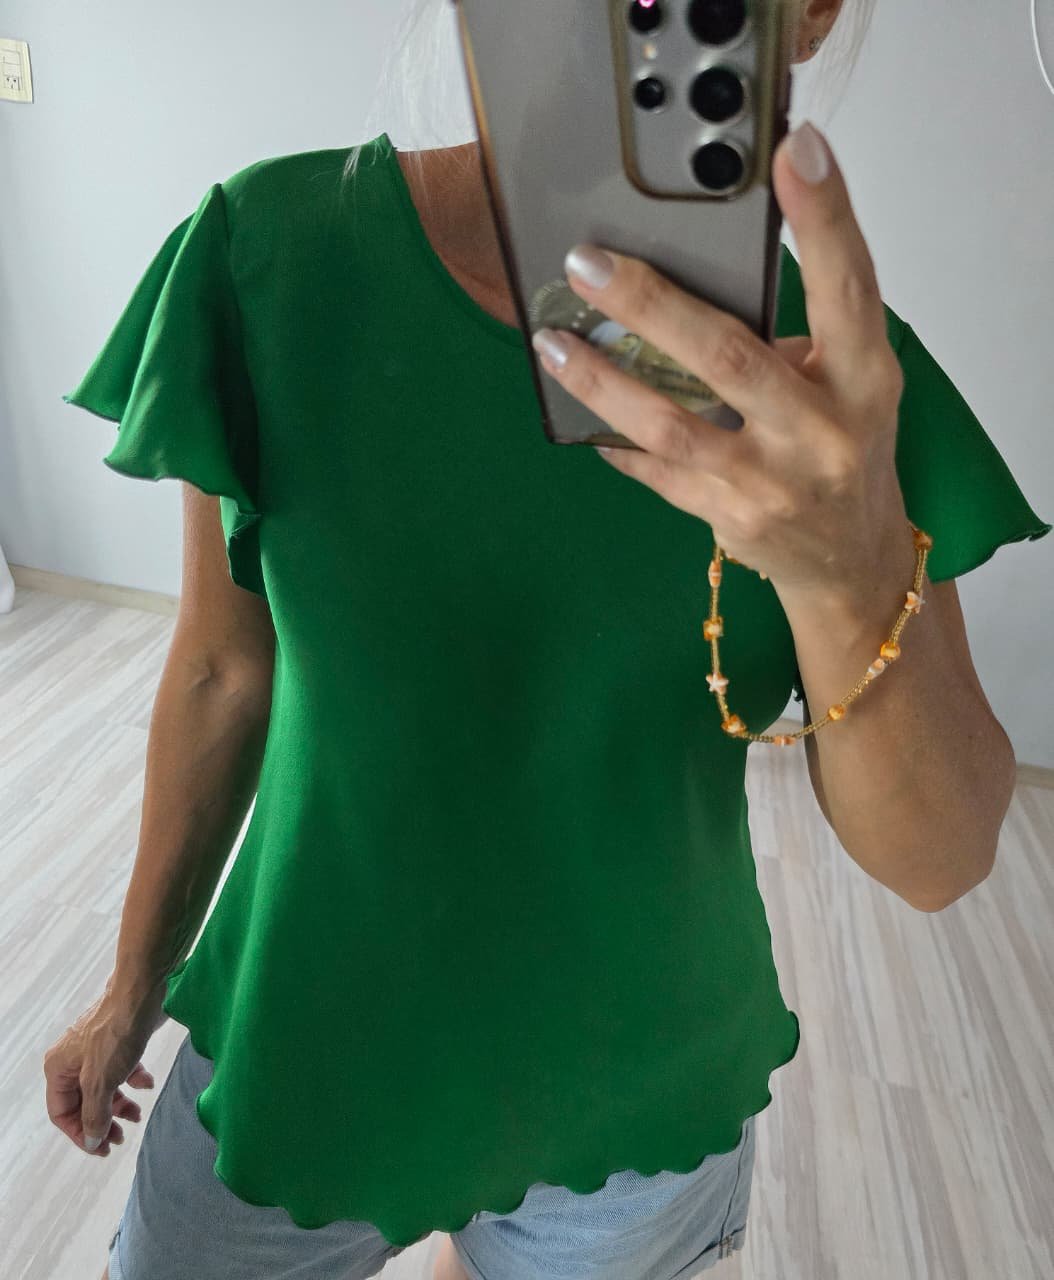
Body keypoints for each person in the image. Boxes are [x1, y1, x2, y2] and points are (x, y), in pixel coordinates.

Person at [47, 2, 1051, 1278]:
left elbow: (941, 856)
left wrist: (849, 569)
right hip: (302, 1033)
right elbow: (220, 666)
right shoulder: (268, 256)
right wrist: (130, 983)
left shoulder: (831, 388)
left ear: (805, 16)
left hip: (638, 1099)